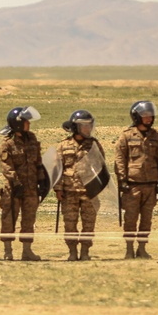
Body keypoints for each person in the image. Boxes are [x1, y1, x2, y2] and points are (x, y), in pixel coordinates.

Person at [114, 101, 158, 259]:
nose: (148, 119)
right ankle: (129, 249)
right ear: (137, 116)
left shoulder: (155, 136)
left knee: (146, 219)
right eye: (145, 116)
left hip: (150, 185)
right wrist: (122, 179)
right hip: (132, 186)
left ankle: (142, 248)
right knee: (130, 219)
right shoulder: (127, 135)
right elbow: (120, 159)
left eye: (150, 116)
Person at [55, 110, 108, 261]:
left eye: (90, 125)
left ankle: (85, 251)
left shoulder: (94, 145)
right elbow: (58, 168)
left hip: (89, 192)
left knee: (89, 224)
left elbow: (101, 166)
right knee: (70, 224)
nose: (88, 129)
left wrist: (98, 187)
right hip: (69, 192)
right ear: (76, 127)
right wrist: (58, 188)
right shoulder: (63, 145)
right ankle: (72, 251)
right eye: (84, 126)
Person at [0, 106, 48, 261]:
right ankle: (8, 251)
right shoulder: (7, 144)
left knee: (29, 220)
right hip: (13, 190)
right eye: (26, 122)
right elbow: (6, 167)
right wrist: (16, 183)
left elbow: (38, 162)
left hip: (31, 189)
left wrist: (42, 180)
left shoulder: (32, 139)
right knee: (9, 219)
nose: (29, 124)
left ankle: (27, 251)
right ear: (18, 123)